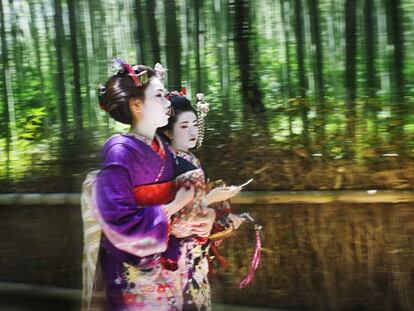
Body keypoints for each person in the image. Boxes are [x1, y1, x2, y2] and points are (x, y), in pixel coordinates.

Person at [82, 60, 194, 311]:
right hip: (131, 266)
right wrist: (173, 207)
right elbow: (117, 220)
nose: (168, 103)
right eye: (159, 96)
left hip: (169, 258)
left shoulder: (163, 145)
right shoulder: (119, 151)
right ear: (136, 105)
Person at [158, 93, 244, 310]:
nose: (193, 131)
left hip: (193, 253)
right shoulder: (171, 163)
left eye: (195, 124)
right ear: (168, 131)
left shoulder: (186, 160)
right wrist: (211, 199)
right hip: (178, 254)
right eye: (184, 126)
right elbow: (180, 217)